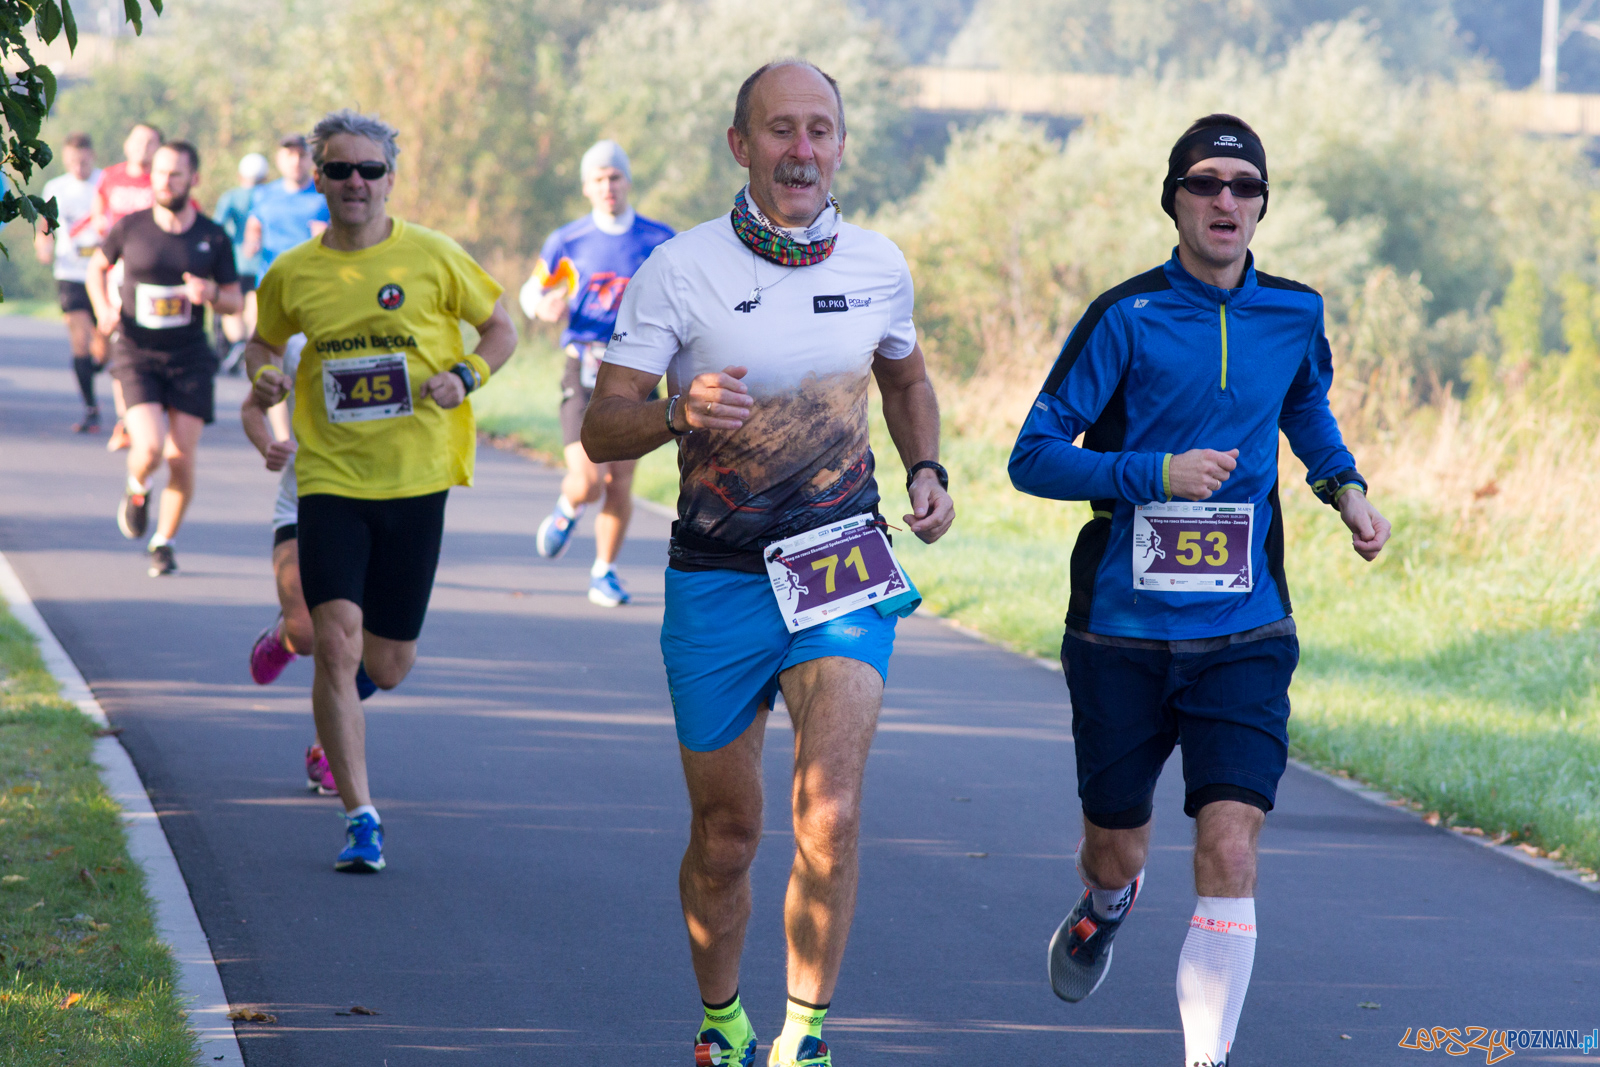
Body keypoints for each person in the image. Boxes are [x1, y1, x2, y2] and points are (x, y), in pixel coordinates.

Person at [581, 61, 955, 1067]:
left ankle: (806, 1035)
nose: (801, 148)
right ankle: (722, 1020)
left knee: (828, 809)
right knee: (727, 830)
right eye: (779, 129)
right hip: (718, 574)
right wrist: (673, 409)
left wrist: (926, 465)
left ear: (839, 145)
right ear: (740, 145)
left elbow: (907, 376)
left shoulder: (878, 264)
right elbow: (598, 428)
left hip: (842, 563)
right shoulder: (677, 268)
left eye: (818, 129)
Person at [1007, 114, 1393, 1067]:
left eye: (1245, 186)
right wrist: (1151, 473)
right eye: (1207, 183)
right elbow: (1033, 457)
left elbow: (1303, 405)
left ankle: (1204, 1056)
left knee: (1230, 846)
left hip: (1245, 623)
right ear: (1174, 198)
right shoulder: (1124, 316)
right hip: (1121, 631)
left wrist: (1344, 487)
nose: (1227, 201)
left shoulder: (1294, 311)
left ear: (1263, 205)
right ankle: (1105, 906)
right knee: (1120, 848)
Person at [244, 109, 517, 873]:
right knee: (334, 641)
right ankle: (361, 814)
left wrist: (465, 376)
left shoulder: (432, 257)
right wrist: (261, 372)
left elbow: (501, 327)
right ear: (317, 177)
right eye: (339, 169)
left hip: (417, 479)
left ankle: (339, 722)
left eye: (369, 170)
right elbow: (260, 342)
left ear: (390, 178)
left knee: (388, 662)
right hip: (330, 479)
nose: (355, 183)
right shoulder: (293, 272)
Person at [520, 140, 674, 607]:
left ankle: (604, 571)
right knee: (587, 480)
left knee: (619, 482)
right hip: (583, 369)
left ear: (628, 181)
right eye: (599, 179)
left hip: (639, 370)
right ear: (587, 187)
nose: (608, 186)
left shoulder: (658, 239)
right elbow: (534, 291)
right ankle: (569, 507)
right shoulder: (569, 242)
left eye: (615, 177)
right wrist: (543, 305)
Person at [86, 141, 243, 578]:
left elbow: (233, 300)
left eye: (175, 174)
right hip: (137, 353)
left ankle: (164, 541)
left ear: (194, 179)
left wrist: (210, 293)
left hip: (190, 357)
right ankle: (137, 488)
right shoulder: (131, 228)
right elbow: (95, 268)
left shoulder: (212, 237)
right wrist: (103, 308)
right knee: (151, 447)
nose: (165, 182)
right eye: (159, 173)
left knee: (181, 458)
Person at [239, 334, 378, 796]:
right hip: (304, 502)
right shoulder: (303, 343)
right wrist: (268, 447)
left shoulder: (408, 337)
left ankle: (329, 744)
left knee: (367, 655)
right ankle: (283, 636)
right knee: (306, 633)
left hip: (383, 510)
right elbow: (252, 408)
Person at [91, 122, 164, 453]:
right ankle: (126, 420)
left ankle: (151, 409)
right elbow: (98, 212)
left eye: (150, 142)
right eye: (137, 140)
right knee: (123, 343)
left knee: (152, 344)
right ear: (126, 143)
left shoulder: (164, 182)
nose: (142, 147)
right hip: (119, 271)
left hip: (159, 275)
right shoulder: (110, 176)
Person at [34, 132, 105, 432]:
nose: (79, 166)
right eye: (73, 161)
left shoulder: (105, 183)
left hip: (103, 274)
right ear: (66, 159)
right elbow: (44, 226)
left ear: (93, 156)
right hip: (71, 274)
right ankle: (91, 408)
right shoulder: (56, 187)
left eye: (84, 160)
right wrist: (43, 245)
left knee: (103, 348)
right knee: (79, 342)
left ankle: (97, 363)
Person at [213, 151, 272, 368]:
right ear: (265, 176)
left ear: (240, 174)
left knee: (233, 305)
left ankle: (238, 342)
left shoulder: (231, 196)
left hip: (236, 260)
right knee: (254, 306)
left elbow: (217, 227)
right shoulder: (271, 196)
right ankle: (250, 344)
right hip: (263, 263)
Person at [242, 134, 329, 274]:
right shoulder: (263, 194)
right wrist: (252, 244)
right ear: (278, 159)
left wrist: (326, 237)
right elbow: (254, 227)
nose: (296, 161)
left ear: (311, 159)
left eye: (302, 155)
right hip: (271, 280)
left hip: (310, 280)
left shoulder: (325, 195)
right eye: (290, 155)